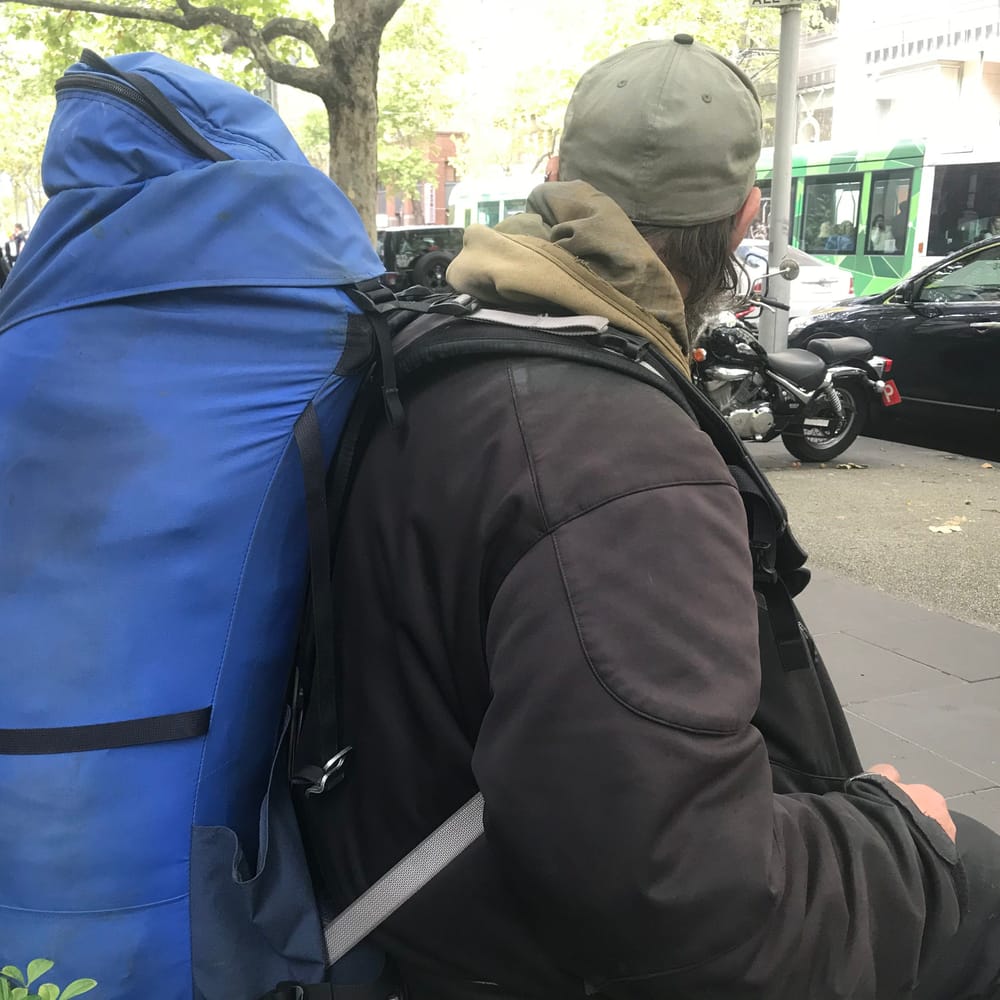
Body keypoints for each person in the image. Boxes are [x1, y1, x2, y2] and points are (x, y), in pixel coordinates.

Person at [303, 35, 1000, 999]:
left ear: (555, 183)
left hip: (411, 887)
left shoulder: (446, 350)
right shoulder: (618, 462)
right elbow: (676, 894)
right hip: (496, 955)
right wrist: (900, 842)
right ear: (748, 215)